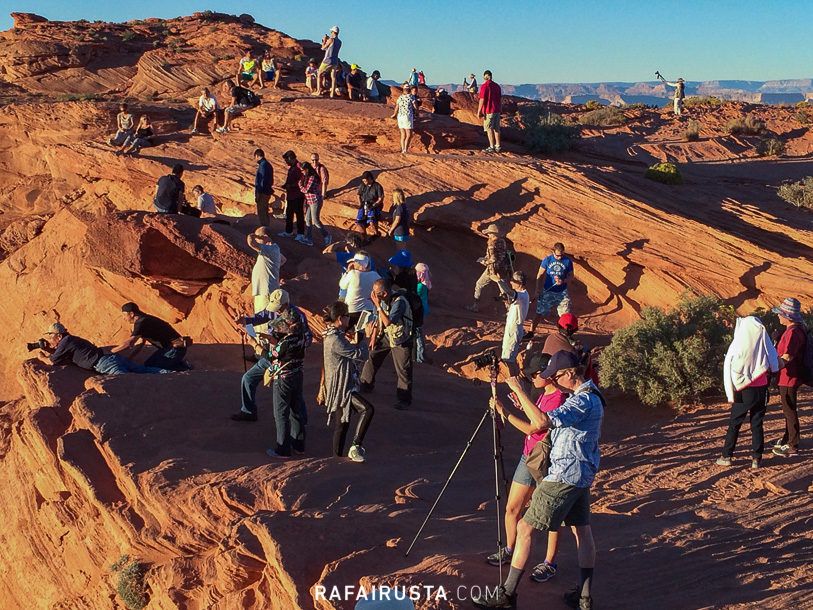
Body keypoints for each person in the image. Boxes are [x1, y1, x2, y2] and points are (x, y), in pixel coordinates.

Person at [473, 350, 604, 610]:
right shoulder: (590, 396)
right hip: (581, 474)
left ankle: (507, 595)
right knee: (582, 530)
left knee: (525, 528)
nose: (552, 380)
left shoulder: (582, 400)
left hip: (563, 476)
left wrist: (517, 389)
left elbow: (542, 422)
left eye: (555, 376)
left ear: (568, 374)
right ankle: (584, 597)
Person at [487, 353, 565, 583]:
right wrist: (523, 404)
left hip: (546, 462)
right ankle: (510, 550)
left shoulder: (559, 398)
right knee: (512, 509)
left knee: (552, 516)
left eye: (535, 374)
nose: (532, 378)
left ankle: (550, 562)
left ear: (548, 375)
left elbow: (534, 428)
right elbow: (535, 420)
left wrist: (506, 413)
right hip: (529, 456)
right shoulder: (544, 396)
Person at [233, 289, 311, 458]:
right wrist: (246, 321)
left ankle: (283, 448)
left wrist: (258, 344)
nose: (275, 311)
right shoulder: (293, 322)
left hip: (281, 366)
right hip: (293, 367)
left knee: (283, 410)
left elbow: (271, 354)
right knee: (250, 379)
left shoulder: (296, 318)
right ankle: (249, 411)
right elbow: (261, 317)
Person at [718, 316, 780, 469]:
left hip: (742, 390)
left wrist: (729, 395)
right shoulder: (764, 344)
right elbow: (774, 363)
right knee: (757, 423)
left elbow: (727, 369)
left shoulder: (736, 345)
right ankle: (756, 458)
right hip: (761, 389)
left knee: (735, 423)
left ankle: (727, 456)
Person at [322, 300, 375, 462]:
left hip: (340, 386)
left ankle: (336, 458)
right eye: (347, 317)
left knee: (342, 424)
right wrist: (365, 337)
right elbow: (361, 355)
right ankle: (355, 446)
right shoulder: (335, 340)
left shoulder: (333, 336)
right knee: (367, 409)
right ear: (339, 319)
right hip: (343, 388)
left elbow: (349, 351)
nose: (349, 320)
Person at [360, 279, 413, 409]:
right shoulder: (382, 300)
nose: (373, 295)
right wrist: (373, 337)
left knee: (403, 369)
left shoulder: (399, 302)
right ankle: (365, 384)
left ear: (384, 294)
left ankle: (404, 400)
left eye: (376, 292)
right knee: (373, 356)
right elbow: (377, 319)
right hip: (387, 336)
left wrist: (378, 305)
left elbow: (389, 322)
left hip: (401, 338)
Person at [34, 323, 168, 375]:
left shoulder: (65, 342)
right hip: (110, 358)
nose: (50, 338)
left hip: (104, 364)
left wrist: (41, 356)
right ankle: (169, 373)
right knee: (142, 370)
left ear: (58, 335)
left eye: (50, 335)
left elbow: (52, 361)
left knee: (128, 382)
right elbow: (64, 354)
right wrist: (50, 349)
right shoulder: (71, 339)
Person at [772, 298, 807, 457]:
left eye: (781, 314)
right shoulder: (798, 329)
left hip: (788, 377)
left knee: (789, 410)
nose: (779, 316)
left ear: (788, 316)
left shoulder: (793, 332)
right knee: (789, 409)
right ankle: (788, 439)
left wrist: (771, 367)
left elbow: (788, 356)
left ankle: (792, 445)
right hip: (791, 376)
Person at [111, 303, 191, 371]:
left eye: (124, 315)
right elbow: (141, 344)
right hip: (172, 349)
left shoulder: (141, 322)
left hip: (174, 349)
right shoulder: (145, 320)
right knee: (149, 365)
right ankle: (180, 366)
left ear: (131, 314)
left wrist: (110, 352)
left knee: (151, 368)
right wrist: (129, 359)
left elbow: (129, 343)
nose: (124, 318)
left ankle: (180, 367)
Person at [248, 227, 286, 332]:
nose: (257, 241)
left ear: (265, 237)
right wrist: (274, 269)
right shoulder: (273, 250)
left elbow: (250, 241)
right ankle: (261, 341)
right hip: (263, 290)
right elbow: (283, 259)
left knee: (263, 322)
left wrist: (255, 236)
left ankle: (264, 344)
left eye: (258, 238)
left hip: (266, 291)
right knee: (261, 320)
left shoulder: (271, 249)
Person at [531, 243, 574, 334]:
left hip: (562, 292)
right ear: (553, 252)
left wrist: (563, 281)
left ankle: (565, 335)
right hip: (548, 291)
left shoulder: (567, 261)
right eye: (558, 255)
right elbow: (540, 274)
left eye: (562, 255)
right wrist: (537, 290)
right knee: (539, 312)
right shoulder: (547, 260)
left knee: (565, 316)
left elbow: (571, 276)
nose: (559, 257)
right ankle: (531, 332)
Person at [467, 224, 511, 312]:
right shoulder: (502, 241)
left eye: (489, 234)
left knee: (479, 284)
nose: (488, 235)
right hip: (502, 269)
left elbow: (493, 258)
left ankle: (475, 306)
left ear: (492, 234)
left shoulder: (492, 243)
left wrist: (485, 262)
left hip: (492, 270)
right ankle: (509, 311)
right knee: (504, 290)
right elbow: (501, 255)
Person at [496, 271, 530, 376]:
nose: (511, 283)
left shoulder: (522, 295)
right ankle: (515, 378)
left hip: (514, 330)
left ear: (520, 283)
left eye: (513, 281)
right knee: (508, 356)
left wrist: (499, 281)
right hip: (512, 329)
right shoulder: (522, 295)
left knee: (508, 359)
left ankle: (513, 379)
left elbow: (510, 293)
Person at [339, 253, 381, 326]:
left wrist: (347, 271)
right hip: (368, 309)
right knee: (361, 331)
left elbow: (342, 286)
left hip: (351, 310)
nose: (353, 264)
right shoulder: (375, 275)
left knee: (345, 328)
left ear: (359, 263)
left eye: (355, 262)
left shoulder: (352, 273)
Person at [299, 161, 331, 246]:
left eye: (303, 170)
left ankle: (327, 236)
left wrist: (300, 185)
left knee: (316, 220)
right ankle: (309, 239)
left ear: (307, 169)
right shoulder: (307, 177)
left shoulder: (312, 177)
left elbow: (306, 190)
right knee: (307, 219)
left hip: (315, 201)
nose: (302, 172)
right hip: (310, 201)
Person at [278, 150, 306, 242]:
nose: (286, 162)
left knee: (299, 214)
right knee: (289, 214)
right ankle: (288, 231)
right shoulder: (292, 167)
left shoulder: (299, 167)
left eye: (286, 160)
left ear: (290, 158)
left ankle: (300, 234)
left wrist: (291, 185)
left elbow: (302, 181)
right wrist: (286, 184)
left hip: (298, 195)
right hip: (291, 195)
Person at [356, 171, 385, 240]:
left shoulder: (377, 186)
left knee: (371, 220)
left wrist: (374, 205)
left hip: (374, 205)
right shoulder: (362, 185)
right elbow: (358, 195)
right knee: (359, 222)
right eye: (363, 180)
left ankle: (376, 234)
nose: (364, 182)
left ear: (369, 178)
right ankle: (363, 237)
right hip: (364, 205)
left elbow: (381, 198)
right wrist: (360, 204)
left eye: (365, 180)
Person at [478, 70, 502, 153]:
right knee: (497, 128)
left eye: (484, 76)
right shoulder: (497, 86)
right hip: (497, 110)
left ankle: (491, 147)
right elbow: (499, 99)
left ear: (486, 76)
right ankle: (498, 146)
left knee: (489, 129)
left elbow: (482, 99)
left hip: (489, 110)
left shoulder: (485, 86)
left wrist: (479, 111)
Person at [392, 83, 419, 154]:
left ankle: (403, 149)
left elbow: (397, 107)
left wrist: (394, 114)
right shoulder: (411, 97)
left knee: (403, 134)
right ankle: (405, 150)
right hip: (407, 116)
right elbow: (415, 106)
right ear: (409, 90)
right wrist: (417, 113)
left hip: (400, 117)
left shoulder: (400, 97)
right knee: (409, 134)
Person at [316, 26, 342, 98]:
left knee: (319, 74)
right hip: (335, 61)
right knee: (333, 77)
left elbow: (323, 48)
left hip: (327, 60)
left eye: (331, 32)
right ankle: (332, 94)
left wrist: (324, 40)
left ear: (333, 32)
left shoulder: (331, 39)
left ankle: (318, 91)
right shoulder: (340, 42)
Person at [414, 263, 432, 364]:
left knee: (418, 333)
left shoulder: (420, 286)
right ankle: (421, 354)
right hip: (422, 310)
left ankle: (420, 357)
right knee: (419, 332)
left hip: (418, 311)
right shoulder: (426, 283)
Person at [254, 148, 274, 227]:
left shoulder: (263, 165)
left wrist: (259, 192)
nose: (255, 159)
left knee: (262, 211)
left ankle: (264, 228)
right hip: (267, 191)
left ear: (257, 156)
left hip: (263, 192)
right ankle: (266, 227)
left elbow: (261, 180)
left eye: (255, 157)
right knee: (265, 210)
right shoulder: (267, 164)